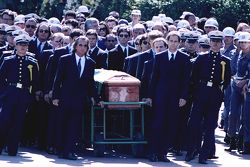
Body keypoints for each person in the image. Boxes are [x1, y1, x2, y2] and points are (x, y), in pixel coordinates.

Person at [185, 30, 231, 164]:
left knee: (210, 126)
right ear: (209, 42)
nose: (215, 44)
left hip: (214, 94)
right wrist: (194, 93)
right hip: (201, 93)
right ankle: (191, 150)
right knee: (194, 124)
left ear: (221, 44)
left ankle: (204, 154)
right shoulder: (202, 58)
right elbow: (193, 77)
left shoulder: (225, 61)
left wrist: (220, 94)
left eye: (218, 42)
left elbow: (227, 79)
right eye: (213, 41)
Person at [147, 31, 191, 162]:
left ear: (179, 43)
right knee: (158, 124)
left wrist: (184, 97)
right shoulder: (159, 57)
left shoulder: (184, 58)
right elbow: (154, 78)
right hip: (160, 96)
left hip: (176, 97)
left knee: (170, 124)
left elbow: (186, 80)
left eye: (176, 41)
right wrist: (150, 96)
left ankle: (163, 153)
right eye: (171, 41)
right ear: (168, 42)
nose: (173, 43)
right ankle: (153, 152)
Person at [52, 36, 97, 160]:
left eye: (85, 45)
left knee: (74, 125)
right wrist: (55, 97)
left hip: (79, 99)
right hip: (64, 97)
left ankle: (70, 150)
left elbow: (90, 82)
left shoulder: (90, 62)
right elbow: (58, 79)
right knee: (62, 123)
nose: (82, 48)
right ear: (75, 46)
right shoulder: (65, 59)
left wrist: (94, 97)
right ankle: (60, 149)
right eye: (80, 45)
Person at [0, 33, 39, 156]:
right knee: (4, 121)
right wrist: (3, 94)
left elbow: (35, 81)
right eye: (20, 45)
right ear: (15, 46)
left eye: (25, 45)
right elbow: (1, 78)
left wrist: (30, 96)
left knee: (18, 123)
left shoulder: (32, 62)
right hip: (9, 94)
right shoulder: (8, 60)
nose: (23, 48)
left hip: (23, 95)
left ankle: (12, 149)